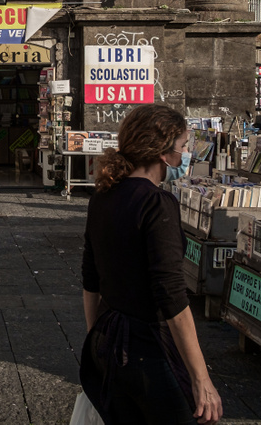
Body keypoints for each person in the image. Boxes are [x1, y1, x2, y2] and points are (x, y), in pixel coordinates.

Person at [81, 104, 223, 425]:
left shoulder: (103, 196)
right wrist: (200, 377)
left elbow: (90, 280)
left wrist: (95, 339)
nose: (186, 155)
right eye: (183, 147)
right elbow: (172, 296)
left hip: (108, 340)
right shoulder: (157, 203)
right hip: (147, 346)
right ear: (163, 153)